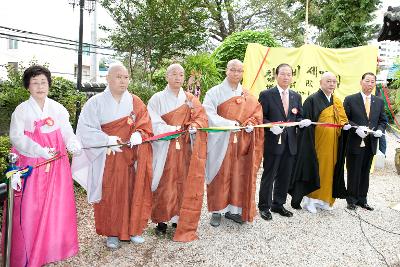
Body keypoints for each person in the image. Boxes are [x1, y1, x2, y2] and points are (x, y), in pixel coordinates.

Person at [72, 63, 153, 249]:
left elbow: (145, 123)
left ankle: (133, 229)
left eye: (125, 77)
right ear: (107, 78)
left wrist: (139, 134)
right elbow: (84, 129)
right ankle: (112, 232)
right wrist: (106, 138)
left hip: (131, 156)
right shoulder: (95, 102)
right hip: (106, 156)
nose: (123, 81)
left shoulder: (135, 101)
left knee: (133, 191)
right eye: (118, 77)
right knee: (110, 193)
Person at [6, 65, 80, 266]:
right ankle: (29, 251)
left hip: (56, 165)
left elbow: (66, 131)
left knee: (57, 206)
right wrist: (39, 150)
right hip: (31, 166)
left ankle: (52, 249)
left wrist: (73, 144)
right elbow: (17, 138)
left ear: (49, 85)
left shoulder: (57, 108)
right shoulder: (21, 110)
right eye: (35, 82)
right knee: (31, 208)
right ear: (28, 86)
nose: (40, 86)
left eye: (43, 82)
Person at [147, 63, 208, 242]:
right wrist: (171, 128)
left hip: (185, 147)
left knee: (183, 180)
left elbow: (202, 117)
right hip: (164, 147)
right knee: (165, 182)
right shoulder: (157, 98)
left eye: (181, 74)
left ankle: (179, 218)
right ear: (167, 77)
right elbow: (152, 121)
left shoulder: (189, 98)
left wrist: (195, 127)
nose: (177, 77)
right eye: (174, 74)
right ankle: (161, 220)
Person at [203, 59, 264, 227]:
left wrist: (251, 123)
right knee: (219, 174)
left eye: (239, 71)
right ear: (226, 71)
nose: (236, 73)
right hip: (220, 140)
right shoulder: (214, 92)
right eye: (233, 70)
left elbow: (257, 113)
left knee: (238, 174)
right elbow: (207, 113)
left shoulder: (247, 95)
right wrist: (228, 124)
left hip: (241, 142)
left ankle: (234, 210)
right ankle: (217, 210)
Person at [291, 72, 349, 213]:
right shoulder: (312, 99)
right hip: (317, 143)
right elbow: (306, 122)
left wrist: (345, 125)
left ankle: (324, 199)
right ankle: (310, 199)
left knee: (330, 170)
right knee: (317, 169)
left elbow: (342, 120)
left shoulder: (337, 101)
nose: (331, 84)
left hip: (333, 143)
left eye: (334, 82)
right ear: (321, 82)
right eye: (328, 81)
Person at [258, 63, 309, 221]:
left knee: (285, 176)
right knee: (269, 175)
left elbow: (297, 116)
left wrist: (302, 121)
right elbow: (261, 117)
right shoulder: (266, 95)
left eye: (289, 74)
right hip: (273, 141)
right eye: (283, 74)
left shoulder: (296, 96)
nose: (286, 77)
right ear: (276, 75)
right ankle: (264, 206)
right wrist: (270, 126)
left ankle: (278, 204)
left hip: (290, 143)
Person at [343, 72, 387, 211]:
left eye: (372, 82)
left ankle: (362, 199)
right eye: (367, 81)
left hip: (371, 143)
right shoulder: (350, 99)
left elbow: (383, 120)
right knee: (353, 171)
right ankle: (351, 200)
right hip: (355, 141)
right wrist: (356, 128)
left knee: (365, 172)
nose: (370, 84)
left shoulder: (378, 101)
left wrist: (380, 129)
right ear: (361, 82)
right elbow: (345, 119)